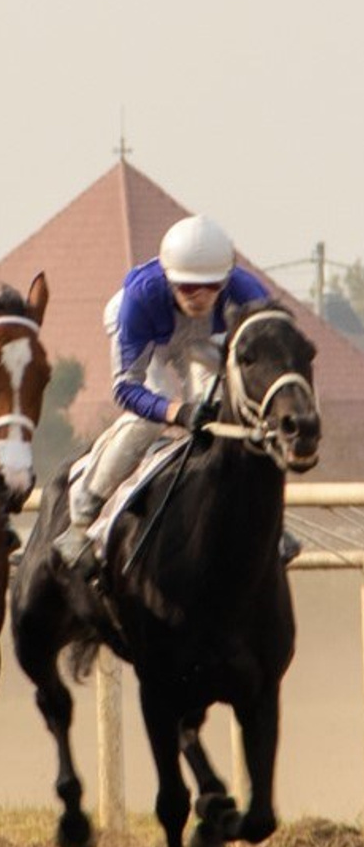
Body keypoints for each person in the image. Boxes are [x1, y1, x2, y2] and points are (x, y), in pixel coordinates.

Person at [53, 213, 269, 575]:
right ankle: (81, 520)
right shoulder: (140, 298)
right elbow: (126, 388)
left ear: (227, 279)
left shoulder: (249, 292)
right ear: (169, 279)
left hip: (200, 340)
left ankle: (263, 520)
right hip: (148, 339)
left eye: (211, 286)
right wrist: (176, 412)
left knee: (218, 411)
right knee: (150, 417)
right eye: (185, 287)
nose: (198, 297)